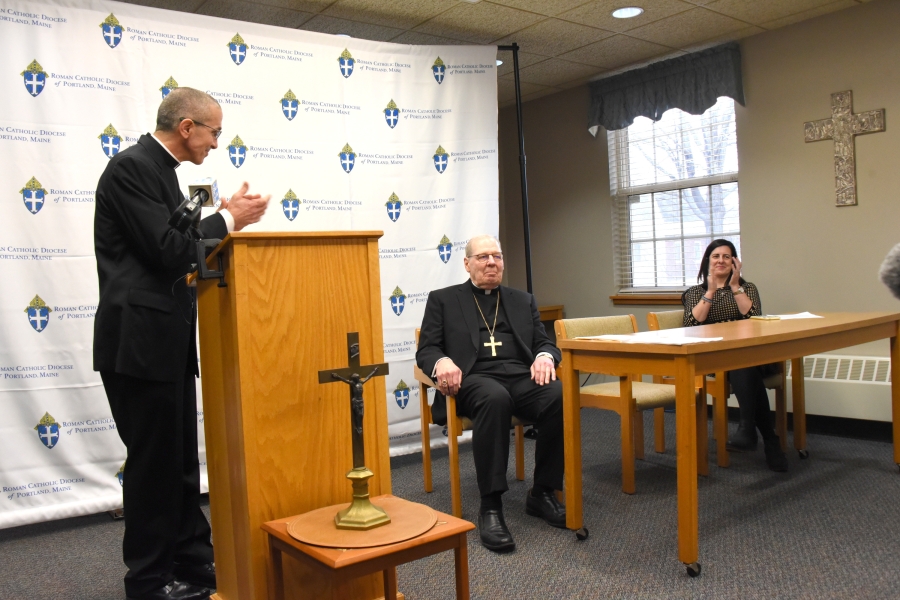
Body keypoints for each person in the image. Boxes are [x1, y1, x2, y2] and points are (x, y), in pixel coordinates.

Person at [94, 88, 270, 600]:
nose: (217, 143)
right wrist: (231, 218)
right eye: (214, 131)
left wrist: (215, 221)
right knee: (153, 467)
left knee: (179, 463)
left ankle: (192, 561)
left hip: (164, 345)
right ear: (188, 127)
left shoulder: (162, 172)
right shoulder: (131, 168)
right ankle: (148, 582)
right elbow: (171, 252)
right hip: (138, 346)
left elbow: (176, 249)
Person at [416, 235, 565, 552]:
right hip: (473, 378)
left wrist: (544, 357)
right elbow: (426, 349)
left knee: (556, 394)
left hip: (519, 375)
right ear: (467, 263)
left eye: (496, 256)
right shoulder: (443, 299)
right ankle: (491, 505)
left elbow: (544, 342)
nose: (491, 262)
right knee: (494, 398)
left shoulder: (521, 299)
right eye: (482, 257)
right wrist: (442, 362)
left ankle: (542, 492)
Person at [682, 239, 788, 472]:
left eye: (727, 256)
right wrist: (710, 291)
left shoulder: (747, 288)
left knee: (743, 362)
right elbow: (691, 323)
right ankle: (768, 439)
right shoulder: (694, 292)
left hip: (752, 354)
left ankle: (748, 429)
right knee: (742, 365)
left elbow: (752, 316)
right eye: (716, 256)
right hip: (714, 359)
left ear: (735, 262)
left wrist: (735, 286)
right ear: (707, 262)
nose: (721, 260)